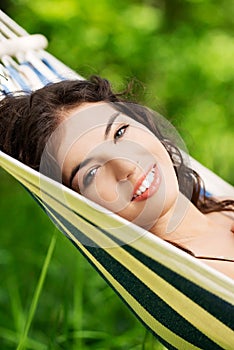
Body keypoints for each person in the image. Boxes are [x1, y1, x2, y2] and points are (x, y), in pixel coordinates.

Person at [0, 76, 233, 278]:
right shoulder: (197, 283)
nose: (125, 165)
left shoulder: (223, 207)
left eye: (119, 132)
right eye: (91, 173)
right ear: (77, 204)